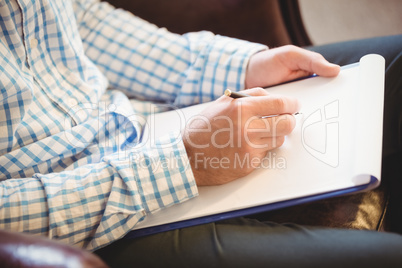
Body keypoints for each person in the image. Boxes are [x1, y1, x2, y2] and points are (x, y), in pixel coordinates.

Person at [0, 0, 401, 267]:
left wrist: (241, 69)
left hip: (144, 117)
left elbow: (81, 18)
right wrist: (183, 163)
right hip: (93, 219)